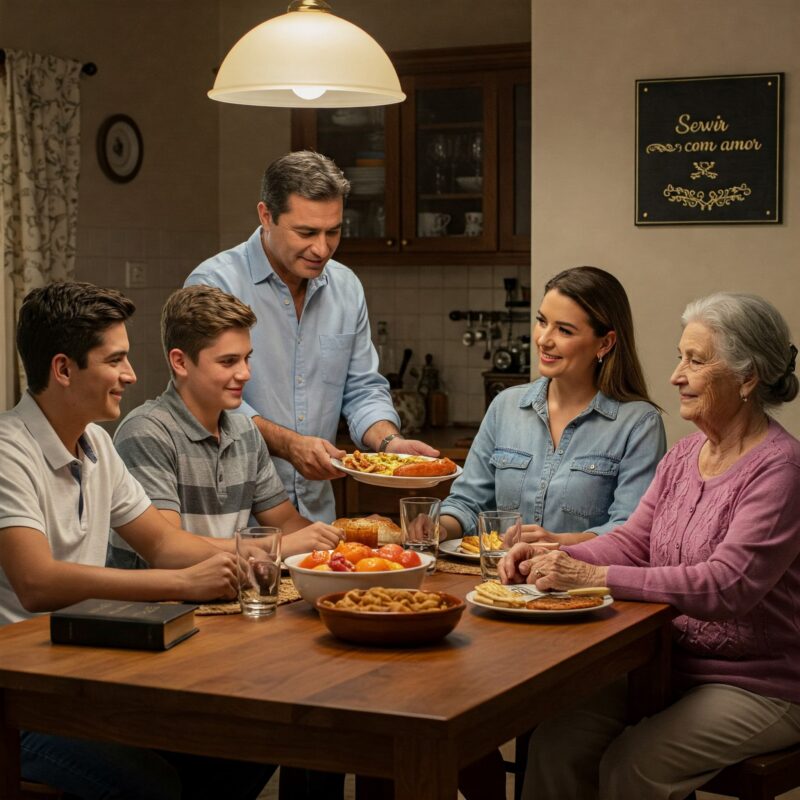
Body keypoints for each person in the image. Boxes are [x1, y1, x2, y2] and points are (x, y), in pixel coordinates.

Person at [500, 292, 800, 800]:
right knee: (555, 741)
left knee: (634, 765)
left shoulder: (780, 469)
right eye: (680, 357)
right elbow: (636, 542)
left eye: (696, 361)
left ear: (748, 378)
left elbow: (726, 586)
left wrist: (593, 578)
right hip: (664, 663)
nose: (676, 376)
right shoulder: (684, 455)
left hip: (759, 684)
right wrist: (556, 557)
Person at [0, 282, 273, 800]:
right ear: (63, 369)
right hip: (20, 697)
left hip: (80, 672)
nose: (132, 374)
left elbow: (164, 543)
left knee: (244, 747)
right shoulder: (7, 450)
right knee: (157, 784)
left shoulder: (96, 442)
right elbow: (36, 583)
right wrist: (182, 582)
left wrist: (263, 555)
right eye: (116, 360)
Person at [185, 150, 437, 522]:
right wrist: (290, 445)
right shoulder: (215, 284)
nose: (322, 248)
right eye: (306, 232)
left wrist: (389, 444)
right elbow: (209, 401)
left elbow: (362, 388)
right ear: (265, 216)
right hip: (236, 518)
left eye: (333, 231)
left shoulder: (346, 287)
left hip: (317, 517)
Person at [107, 284, 343, 569]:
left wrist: (357, 536)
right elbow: (169, 549)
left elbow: (289, 525)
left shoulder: (245, 431)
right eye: (228, 361)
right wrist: (275, 546)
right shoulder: (146, 432)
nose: (245, 373)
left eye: (247, 358)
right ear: (180, 362)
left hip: (223, 599)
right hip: (158, 609)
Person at [440, 266, 666, 544]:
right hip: (495, 585)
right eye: (542, 321)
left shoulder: (639, 423)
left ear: (605, 343)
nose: (544, 340)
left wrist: (556, 542)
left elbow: (630, 532)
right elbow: (467, 503)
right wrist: (436, 527)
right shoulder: (506, 406)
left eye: (564, 330)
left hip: (581, 586)